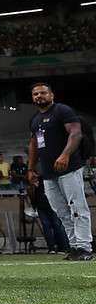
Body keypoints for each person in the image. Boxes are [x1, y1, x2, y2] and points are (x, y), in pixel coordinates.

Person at [28, 83, 92, 260]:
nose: (39, 96)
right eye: (35, 94)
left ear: (51, 95)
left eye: (43, 93)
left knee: (77, 208)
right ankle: (74, 247)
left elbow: (76, 133)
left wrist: (65, 155)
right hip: (48, 173)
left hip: (69, 168)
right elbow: (33, 144)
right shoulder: (35, 120)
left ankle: (85, 247)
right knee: (61, 212)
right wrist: (31, 168)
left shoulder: (62, 111)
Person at [27, 169, 70, 254]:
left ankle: (62, 247)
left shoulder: (45, 180)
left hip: (51, 206)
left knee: (57, 225)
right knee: (46, 226)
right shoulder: (33, 185)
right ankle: (51, 247)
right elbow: (32, 197)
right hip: (41, 207)